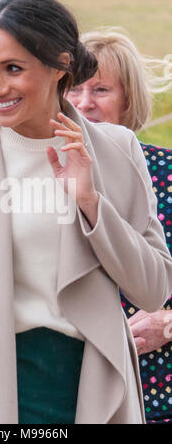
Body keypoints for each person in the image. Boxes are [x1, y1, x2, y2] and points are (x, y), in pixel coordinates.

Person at [0, 0, 172, 424]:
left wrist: (90, 202)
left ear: (60, 65)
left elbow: (153, 289)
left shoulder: (119, 152)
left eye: (13, 69)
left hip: (95, 389)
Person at [66, 28, 172, 424]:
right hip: (70, 391)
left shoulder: (168, 173)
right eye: (74, 89)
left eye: (101, 91)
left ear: (130, 100)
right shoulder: (35, 178)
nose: (84, 103)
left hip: (157, 392)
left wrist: (167, 322)